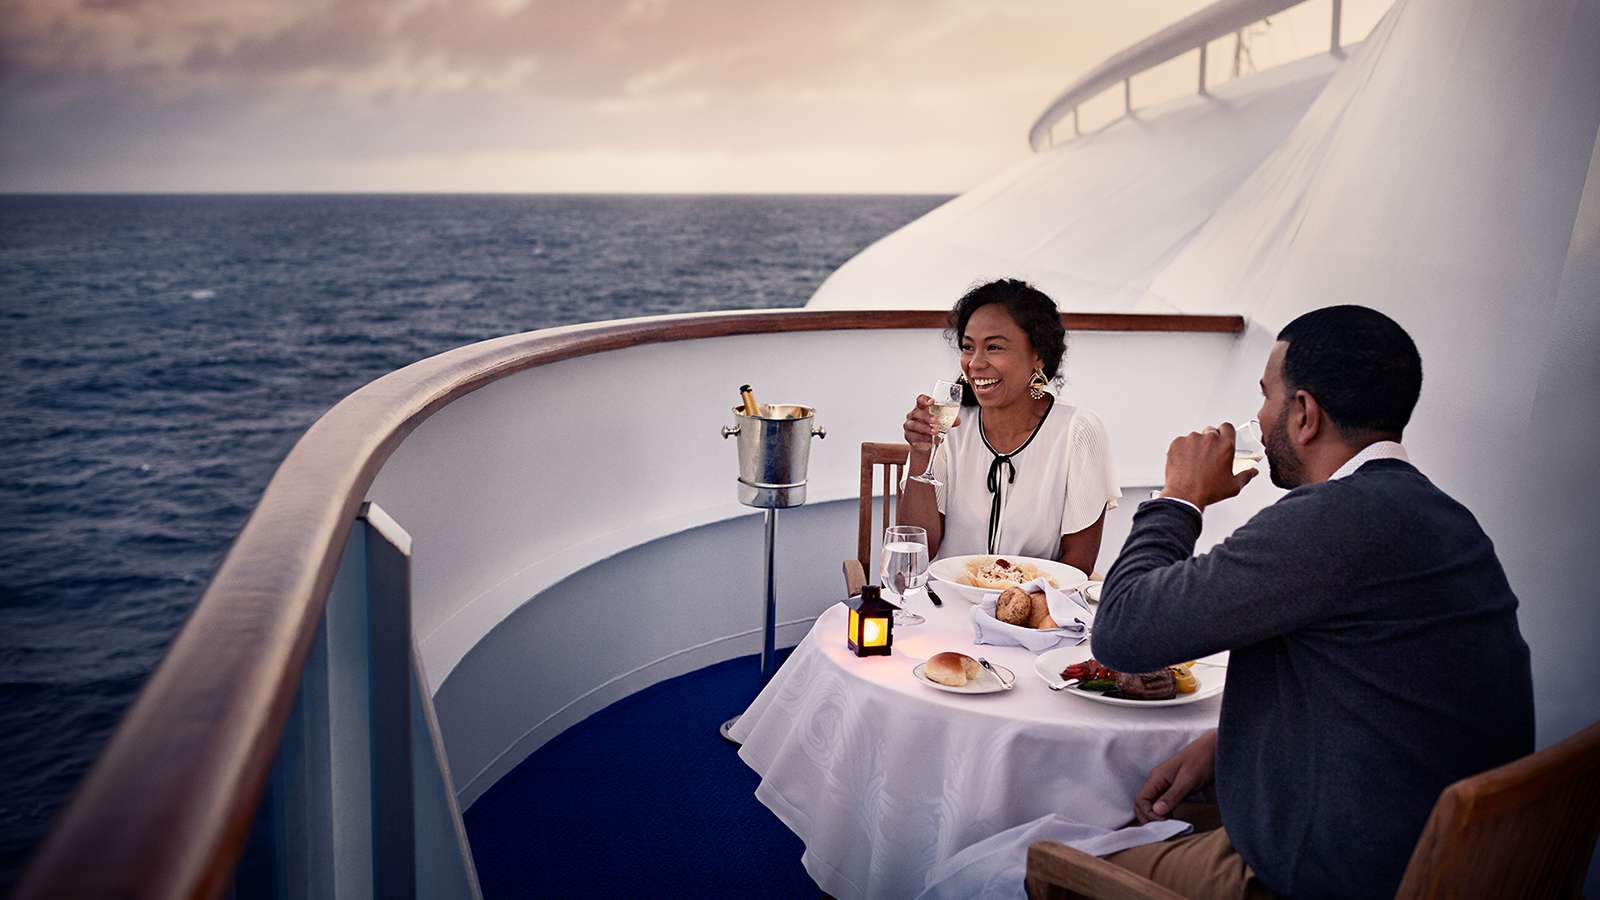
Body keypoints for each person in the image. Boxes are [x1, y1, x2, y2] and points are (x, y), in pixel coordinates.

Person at [1091, 305, 1534, 899]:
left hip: (1324, 879)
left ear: (1304, 414)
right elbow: (1393, 693)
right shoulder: (1446, 519)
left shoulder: (1328, 522)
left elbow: (1122, 631)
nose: (1258, 417)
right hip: (1447, 863)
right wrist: (1226, 747)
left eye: (1266, 395)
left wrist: (1179, 498)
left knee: (1027, 860)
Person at [897, 279, 1120, 575]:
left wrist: (1016, 601)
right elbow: (917, 552)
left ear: (1038, 355)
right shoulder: (948, 426)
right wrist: (921, 453)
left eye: (994, 347)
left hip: (1035, 600)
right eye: (967, 347)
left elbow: (1078, 565)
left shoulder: (1077, 432)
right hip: (948, 596)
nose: (975, 363)